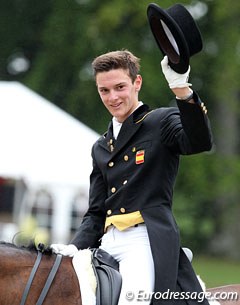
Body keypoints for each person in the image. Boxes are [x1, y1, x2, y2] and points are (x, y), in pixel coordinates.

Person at [51, 50, 212, 305]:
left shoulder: (160, 122)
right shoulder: (101, 146)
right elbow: (96, 213)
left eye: (120, 87)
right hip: (106, 243)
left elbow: (200, 141)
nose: (113, 97)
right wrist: (74, 247)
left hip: (143, 242)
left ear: (137, 83)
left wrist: (182, 90)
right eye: (104, 91)